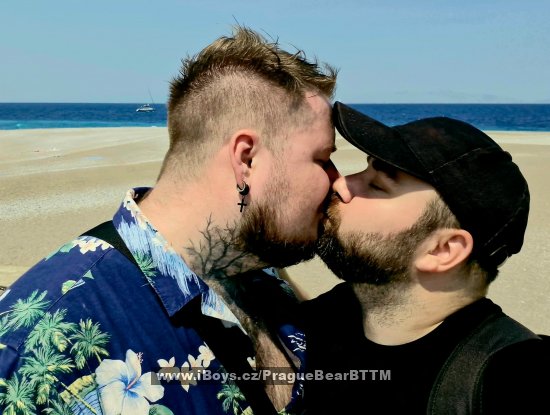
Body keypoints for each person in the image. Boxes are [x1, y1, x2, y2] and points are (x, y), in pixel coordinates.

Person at [0, 27, 338, 415]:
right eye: (322, 159)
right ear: (246, 159)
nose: (338, 181)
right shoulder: (36, 350)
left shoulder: (262, 273)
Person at [300, 102, 550, 414]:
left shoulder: (513, 378)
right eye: (366, 168)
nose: (341, 183)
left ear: (443, 250)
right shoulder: (328, 317)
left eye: (377, 185)